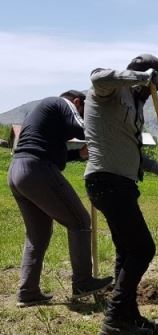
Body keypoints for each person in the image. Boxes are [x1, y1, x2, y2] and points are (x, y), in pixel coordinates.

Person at [83, 54, 158, 335]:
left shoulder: (135, 108)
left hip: (122, 184)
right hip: (106, 181)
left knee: (127, 251)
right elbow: (97, 76)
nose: (151, 95)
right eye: (152, 88)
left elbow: (135, 154)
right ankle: (114, 318)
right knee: (143, 249)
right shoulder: (109, 92)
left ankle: (128, 316)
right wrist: (140, 77)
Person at [7, 90, 114, 307]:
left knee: (38, 235)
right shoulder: (62, 104)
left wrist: (79, 154)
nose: (82, 114)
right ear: (77, 102)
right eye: (83, 110)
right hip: (37, 169)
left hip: (18, 171)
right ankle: (82, 282)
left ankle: (28, 292)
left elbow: (55, 151)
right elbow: (82, 127)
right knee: (81, 222)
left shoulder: (45, 114)